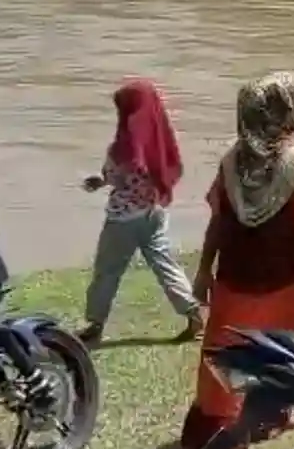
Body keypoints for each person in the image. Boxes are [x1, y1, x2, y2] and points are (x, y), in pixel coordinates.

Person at [176, 71, 294, 449]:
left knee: (221, 366)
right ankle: (254, 427)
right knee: (272, 359)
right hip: (282, 285)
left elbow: (218, 223)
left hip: (233, 283)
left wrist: (203, 271)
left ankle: (206, 446)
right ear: (282, 115)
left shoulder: (230, 164)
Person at [77, 79, 202, 346]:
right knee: (164, 263)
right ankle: (192, 312)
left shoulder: (124, 145)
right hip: (153, 212)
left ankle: (95, 324)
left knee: (107, 271)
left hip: (122, 219)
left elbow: (116, 174)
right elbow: (165, 170)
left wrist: (102, 180)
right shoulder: (160, 139)